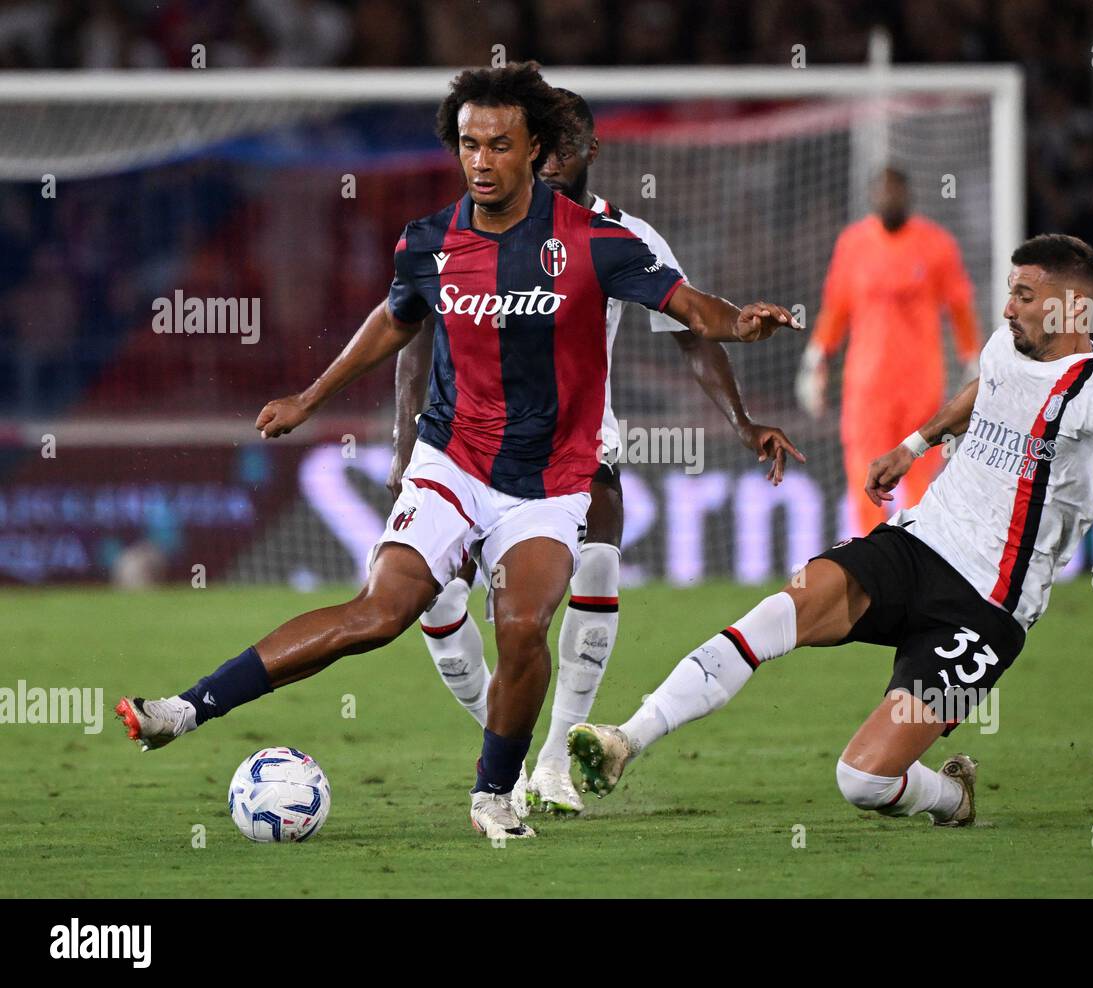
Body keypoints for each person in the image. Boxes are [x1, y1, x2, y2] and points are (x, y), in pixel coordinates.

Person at [116, 61, 801, 841]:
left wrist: (738, 324)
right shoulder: (430, 241)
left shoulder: (598, 242)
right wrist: (312, 398)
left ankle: (492, 793)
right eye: (469, 144)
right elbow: (396, 322)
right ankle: (186, 709)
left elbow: (685, 308)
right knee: (379, 615)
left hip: (548, 479)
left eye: (498, 144)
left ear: (534, 148)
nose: (481, 160)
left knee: (521, 627)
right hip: (454, 461)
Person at [569, 234, 1093, 828]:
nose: (1007, 305)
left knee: (862, 780)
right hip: (918, 545)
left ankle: (953, 796)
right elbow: (987, 388)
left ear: (1072, 308)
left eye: (1025, 295)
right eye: (1010, 290)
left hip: (985, 607)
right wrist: (914, 445)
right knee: (779, 612)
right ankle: (628, 738)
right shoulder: (1007, 344)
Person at [388, 89, 804, 817]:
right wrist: (402, 449)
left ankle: (549, 762)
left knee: (601, 561)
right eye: (541, 145)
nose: (548, 159)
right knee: (439, 601)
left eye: (563, 147)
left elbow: (691, 330)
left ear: (587, 152)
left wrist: (741, 422)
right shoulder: (470, 231)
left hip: (574, 444)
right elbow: (412, 331)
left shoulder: (620, 233)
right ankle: (503, 748)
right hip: (461, 444)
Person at [796, 167, 983, 536]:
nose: (888, 199)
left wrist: (971, 359)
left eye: (895, 192)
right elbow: (836, 309)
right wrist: (815, 358)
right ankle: (874, 568)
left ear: (908, 197)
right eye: (882, 192)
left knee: (920, 482)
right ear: (871, 197)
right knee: (865, 480)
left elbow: (960, 305)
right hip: (866, 389)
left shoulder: (936, 244)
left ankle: (921, 560)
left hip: (921, 387)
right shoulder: (853, 244)